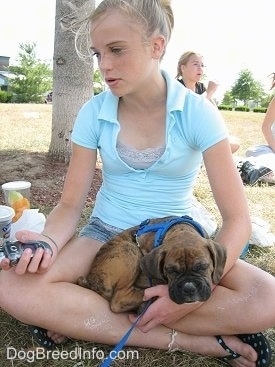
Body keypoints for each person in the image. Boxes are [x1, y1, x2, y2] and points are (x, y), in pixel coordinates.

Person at [0, 1, 275, 366]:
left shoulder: (198, 113)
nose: (104, 66)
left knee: (267, 298)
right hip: (104, 231)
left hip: (175, 240)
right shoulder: (93, 111)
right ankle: (202, 341)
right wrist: (47, 244)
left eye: (116, 50)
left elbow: (237, 219)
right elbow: (69, 206)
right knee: (11, 288)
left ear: (157, 46)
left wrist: (201, 292)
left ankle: (82, 313)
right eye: (99, 54)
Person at [176, 51, 240, 154]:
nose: (200, 68)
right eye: (195, 64)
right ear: (183, 68)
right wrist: (209, 92)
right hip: (182, 137)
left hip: (199, 133)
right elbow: (190, 112)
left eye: (202, 65)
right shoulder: (176, 88)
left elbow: (214, 114)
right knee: (227, 147)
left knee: (234, 143)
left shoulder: (201, 88)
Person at [244, 73, 275, 184]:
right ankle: (253, 169)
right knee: (253, 151)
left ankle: (264, 172)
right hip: (272, 148)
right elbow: (265, 128)